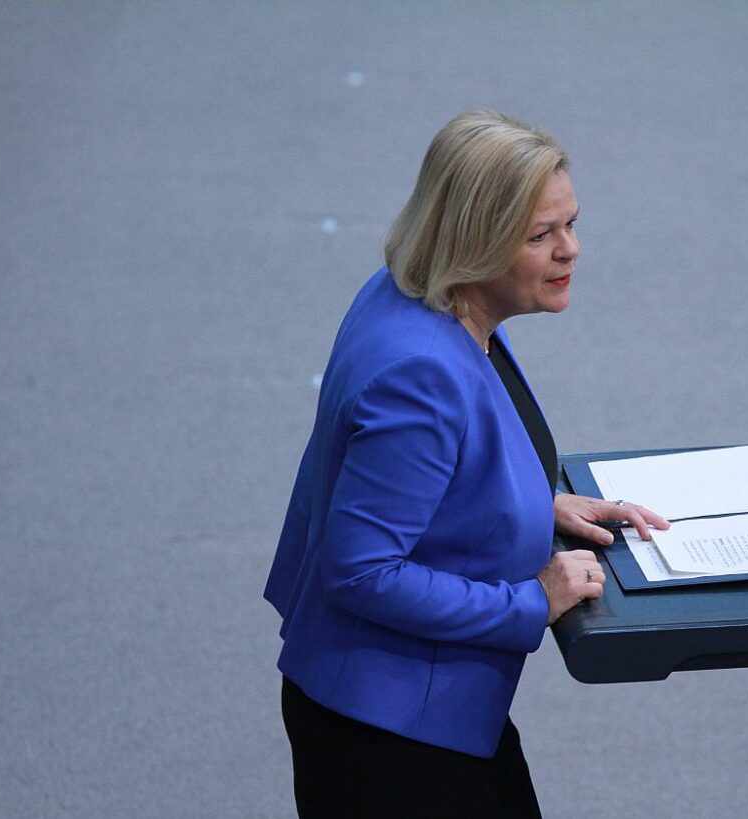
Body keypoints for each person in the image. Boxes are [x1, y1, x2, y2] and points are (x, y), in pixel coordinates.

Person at [263, 109, 669, 818]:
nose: (570, 250)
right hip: (388, 736)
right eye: (539, 236)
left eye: (571, 224)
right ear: (473, 239)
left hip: (419, 715)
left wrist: (533, 506)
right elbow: (362, 571)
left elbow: (425, 477)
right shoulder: (419, 373)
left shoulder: (416, 298)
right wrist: (533, 599)